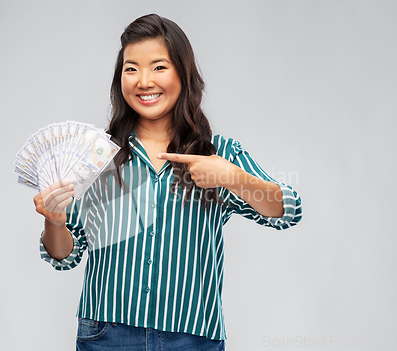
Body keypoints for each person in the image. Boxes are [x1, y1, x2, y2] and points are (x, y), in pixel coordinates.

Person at [33, 14, 302, 351]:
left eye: (158, 67)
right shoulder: (95, 156)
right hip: (107, 335)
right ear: (120, 79)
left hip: (192, 337)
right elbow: (64, 256)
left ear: (183, 74)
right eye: (131, 69)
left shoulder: (219, 154)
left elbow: (287, 210)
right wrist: (54, 222)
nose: (144, 81)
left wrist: (232, 177)